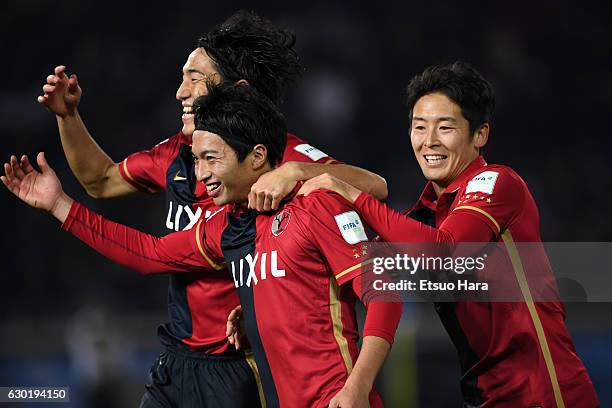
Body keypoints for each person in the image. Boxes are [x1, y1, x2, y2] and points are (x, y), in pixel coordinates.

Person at [36, 10, 387, 407]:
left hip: (246, 363)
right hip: (180, 357)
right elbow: (100, 182)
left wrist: (294, 172)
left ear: (237, 89)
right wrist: (68, 119)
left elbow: (374, 189)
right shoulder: (178, 159)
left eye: (194, 79)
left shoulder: (275, 158)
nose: (180, 92)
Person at [298, 62, 599, 407]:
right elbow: (365, 276)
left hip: (543, 391)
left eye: (445, 127)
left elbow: (444, 252)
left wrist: (353, 194)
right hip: (483, 395)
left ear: (480, 134)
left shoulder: (498, 184)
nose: (429, 141)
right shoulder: (424, 216)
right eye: (419, 127)